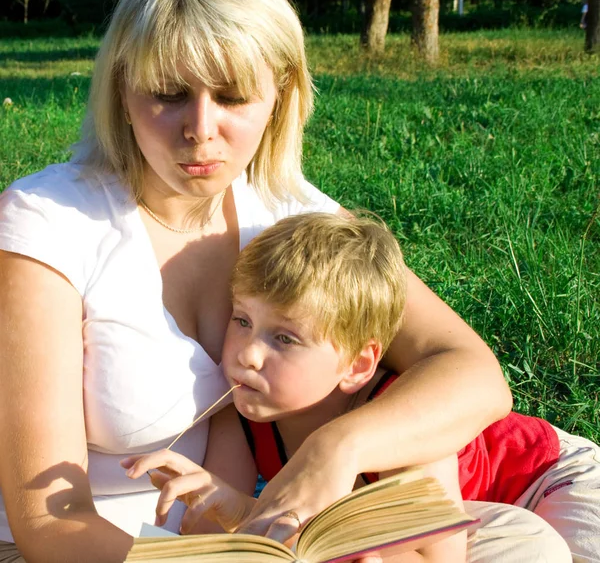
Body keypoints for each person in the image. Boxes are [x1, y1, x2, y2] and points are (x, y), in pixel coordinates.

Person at [0, 0, 512, 561]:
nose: (200, 128)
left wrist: (337, 448)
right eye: (167, 93)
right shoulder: (49, 224)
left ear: (281, 94)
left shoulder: (289, 212)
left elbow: (472, 372)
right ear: (122, 90)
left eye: (234, 96)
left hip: (243, 530)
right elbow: (49, 522)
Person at [125, 212, 600, 563]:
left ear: (357, 365)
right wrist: (228, 506)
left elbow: (443, 554)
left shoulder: (399, 420)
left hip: (546, 476)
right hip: (478, 516)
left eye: (284, 338)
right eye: (242, 320)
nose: (247, 352)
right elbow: (255, 533)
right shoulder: (250, 412)